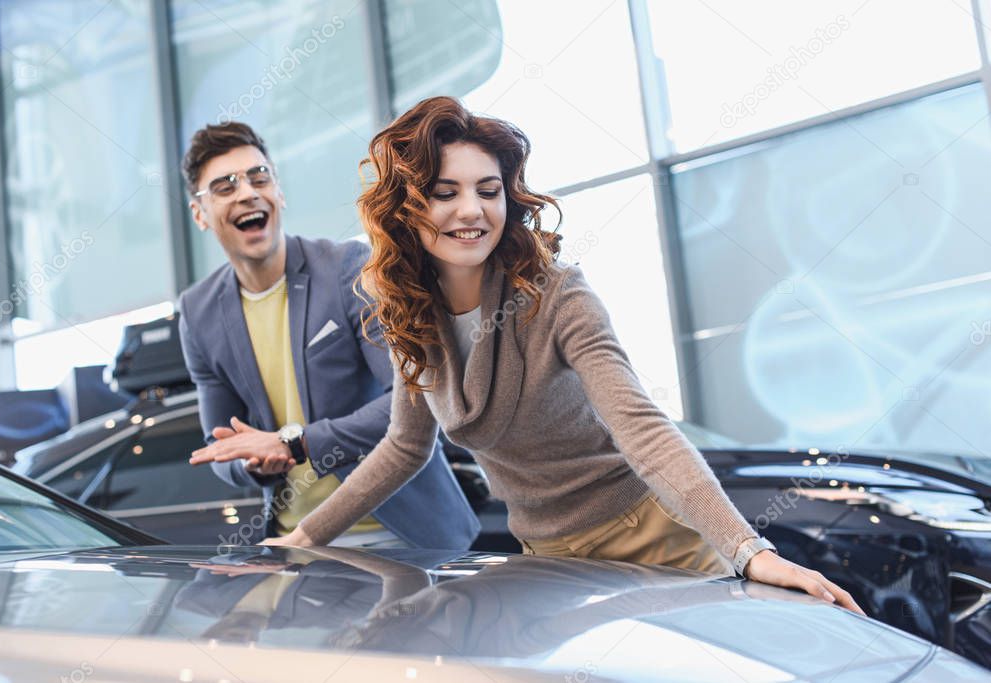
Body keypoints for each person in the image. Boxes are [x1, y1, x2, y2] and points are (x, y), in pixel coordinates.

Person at [262, 97, 863, 614]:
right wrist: (304, 538)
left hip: (651, 536)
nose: (472, 210)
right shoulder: (410, 314)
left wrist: (748, 551)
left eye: (488, 190)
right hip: (546, 558)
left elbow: (642, 428)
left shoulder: (555, 293)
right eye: (446, 193)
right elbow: (404, 447)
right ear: (406, 209)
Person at [179, 121, 479, 549]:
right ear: (200, 214)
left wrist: (295, 444)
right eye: (224, 187)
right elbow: (218, 446)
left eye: (259, 177)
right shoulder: (197, 313)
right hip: (297, 546)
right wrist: (251, 463)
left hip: (397, 534)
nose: (247, 192)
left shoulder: (346, 268)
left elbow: (410, 399)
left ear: (279, 193)